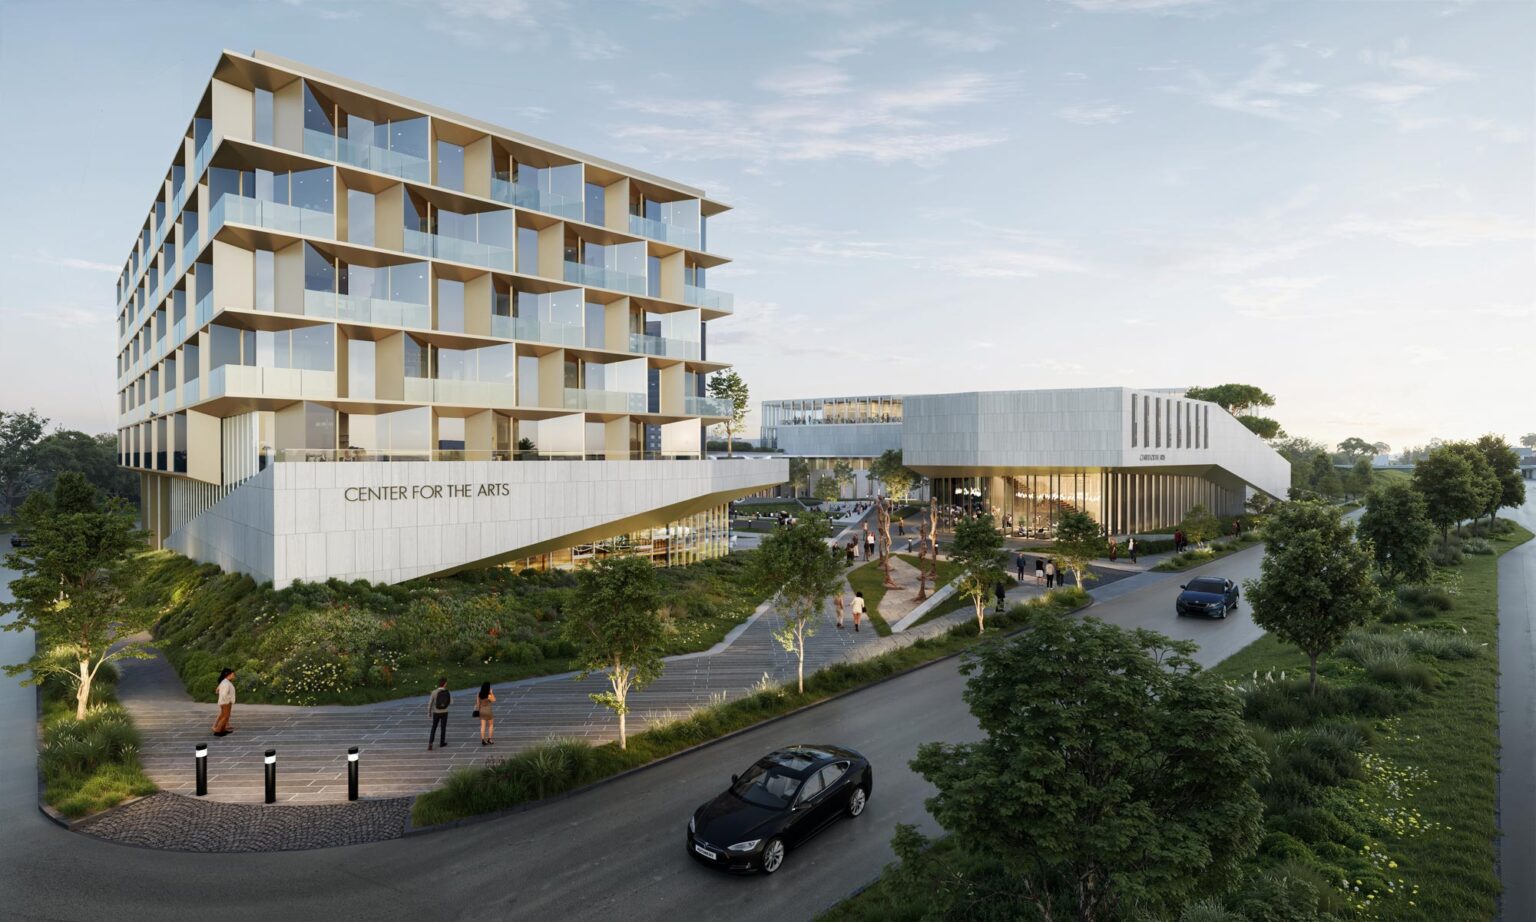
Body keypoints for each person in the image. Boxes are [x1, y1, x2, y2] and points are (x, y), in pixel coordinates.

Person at [427, 678, 451, 751]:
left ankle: (430, 743)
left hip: (436, 712)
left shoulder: (434, 692)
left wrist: (429, 712)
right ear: (445, 684)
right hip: (444, 712)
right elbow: (451, 702)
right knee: (443, 727)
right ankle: (442, 742)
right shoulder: (447, 692)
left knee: (434, 727)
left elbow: (430, 703)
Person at [211, 668, 236, 736]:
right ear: (229, 675)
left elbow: (217, 691)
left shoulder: (225, 682)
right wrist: (228, 699)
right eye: (233, 675)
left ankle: (223, 730)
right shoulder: (226, 683)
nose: (234, 676)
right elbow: (224, 694)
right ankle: (218, 731)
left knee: (225, 716)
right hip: (225, 702)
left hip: (225, 702)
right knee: (225, 716)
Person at [475, 681, 496, 746]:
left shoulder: (479, 694)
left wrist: (478, 710)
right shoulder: (489, 694)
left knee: (483, 726)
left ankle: (483, 740)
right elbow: (494, 700)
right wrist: (491, 693)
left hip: (482, 711)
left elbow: (478, 704)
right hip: (489, 711)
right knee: (491, 725)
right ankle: (489, 739)